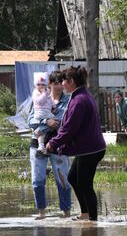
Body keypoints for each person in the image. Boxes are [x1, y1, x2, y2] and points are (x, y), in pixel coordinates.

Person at [46, 66, 106, 221]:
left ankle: (93, 220)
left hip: (90, 150)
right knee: (73, 178)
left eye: (64, 81)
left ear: (71, 81)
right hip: (88, 148)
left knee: (85, 184)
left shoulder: (79, 100)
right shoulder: (80, 95)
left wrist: (53, 143)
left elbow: (69, 129)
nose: (62, 84)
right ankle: (85, 214)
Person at [28, 70, 72, 220]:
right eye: (55, 83)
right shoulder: (37, 97)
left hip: (58, 143)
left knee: (63, 179)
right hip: (37, 144)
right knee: (37, 180)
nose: (59, 86)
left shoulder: (67, 101)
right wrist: (46, 122)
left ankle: (66, 212)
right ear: (50, 84)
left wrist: (39, 127)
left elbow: (59, 122)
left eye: (61, 83)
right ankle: (41, 212)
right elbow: (30, 120)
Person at [31, 72, 55, 155]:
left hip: (46, 111)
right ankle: (40, 138)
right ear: (35, 85)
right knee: (56, 121)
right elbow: (39, 101)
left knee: (43, 130)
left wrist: (54, 105)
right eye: (38, 84)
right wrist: (44, 93)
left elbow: (50, 100)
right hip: (41, 112)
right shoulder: (36, 93)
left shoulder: (47, 92)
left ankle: (41, 145)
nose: (41, 86)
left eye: (43, 84)